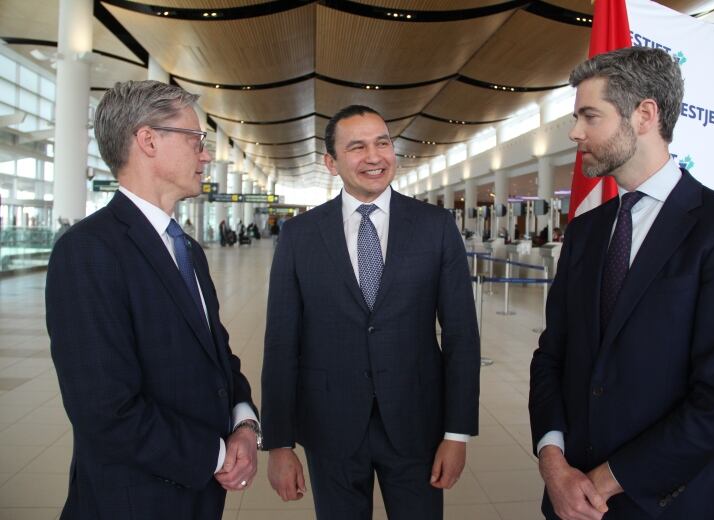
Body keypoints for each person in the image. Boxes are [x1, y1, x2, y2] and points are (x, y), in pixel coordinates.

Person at [528, 47, 714, 520]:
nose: (575, 132)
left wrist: (601, 481)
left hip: (669, 503)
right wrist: (553, 462)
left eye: (589, 116)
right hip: (568, 499)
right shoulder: (584, 231)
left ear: (644, 114)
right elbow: (552, 355)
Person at [46, 80, 261, 520]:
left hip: (198, 496)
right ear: (147, 140)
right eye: (197, 139)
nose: (207, 155)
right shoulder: (88, 250)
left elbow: (217, 356)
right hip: (133, 500)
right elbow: (105, 411)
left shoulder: (188, 249)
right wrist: (218, 455)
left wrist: (243, 423)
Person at [261, 105, 480, 520]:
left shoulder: (435, 227)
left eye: (382, 143)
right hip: (330, 425)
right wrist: (279, 442)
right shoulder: (300, 236)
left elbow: (461, 336)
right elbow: (281, 343)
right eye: (357, 147)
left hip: (417, 425)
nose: (374, 156)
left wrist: (457, 432)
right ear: (331, 162)